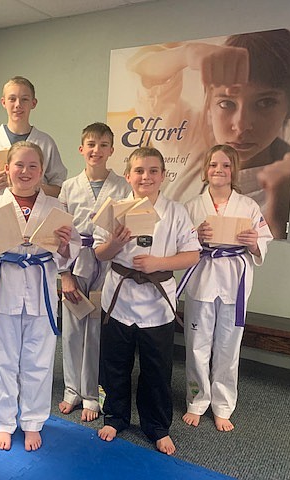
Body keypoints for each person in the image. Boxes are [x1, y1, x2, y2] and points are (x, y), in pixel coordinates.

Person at [126, 28, 290, 239]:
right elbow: (140, 66)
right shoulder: (194, 138)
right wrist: (187, 54)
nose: (241, 125)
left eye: (265, 103)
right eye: (226, 103)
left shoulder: (288, 190)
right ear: (209, 104)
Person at [0, 141, 80, 452]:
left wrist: (66, 243)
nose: (26, 171)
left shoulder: (56, 208)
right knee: (0, 360)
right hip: (3, 290)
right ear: (7, 169)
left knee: (38, 360)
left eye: (33, 166)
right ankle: (3, 422)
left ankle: (32, 421)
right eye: (19, 165)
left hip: (40, 292)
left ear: (42, 171)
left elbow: (67, 259)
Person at [94, 147, 200, 455]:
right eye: (139, 170)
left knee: (157, 367)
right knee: (114, 364)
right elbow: (99, 253)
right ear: (128, 176)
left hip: (157, 302)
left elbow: (193, 254)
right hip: (119, 298)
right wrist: (115, 242)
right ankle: (115, 416)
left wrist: (158, 263)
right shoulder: (114, 208)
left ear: (163, 176)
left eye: (153, 170)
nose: (146, 176)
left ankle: (156, 426)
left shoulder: (176, 212)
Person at [0, 76, 68, 396]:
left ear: (33, 104)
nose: (17, 104)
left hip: (33, 225)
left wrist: (27, 183)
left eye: (24, 99)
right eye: (12, 98)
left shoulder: (46, 142)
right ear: (3, 102)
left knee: (32, 323)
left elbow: (58, 186)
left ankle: (27, 383)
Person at [178, 144, 272, 431]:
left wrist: (252, 242)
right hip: (202, 279)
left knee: (229, 346)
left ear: (234, 171)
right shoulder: (192, 206)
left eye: (225, 165)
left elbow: (262, 241)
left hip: (234, 281)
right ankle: (196, 400)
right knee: (197, 345)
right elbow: (179, 243)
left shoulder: (248, 206)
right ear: (206, 170)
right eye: (213, 165)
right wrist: (196, 235)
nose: (219, 170)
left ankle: (222, 404)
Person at [58, 122, 130, 422]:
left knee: (99, 330)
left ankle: (91, 393)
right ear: (81, 149)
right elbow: (57, 234)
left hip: (109, 262)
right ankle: (72, 389)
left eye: (102, 145)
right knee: (73, 328)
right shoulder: (68, 186)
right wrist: (64, 274)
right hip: (75, 260)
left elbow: (127, 229)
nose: (96, 150)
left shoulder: (123, 187)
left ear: (112, 150)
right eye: (90, 144)